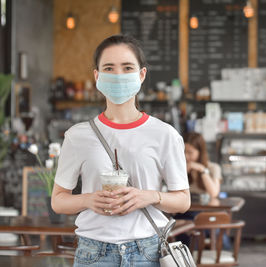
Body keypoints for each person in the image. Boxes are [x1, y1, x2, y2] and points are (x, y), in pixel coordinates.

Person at [51, 34, 190, 267]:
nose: (118, 75)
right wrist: (89, 200)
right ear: (97, 76)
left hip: (147, 252)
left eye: (127, 68)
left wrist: (149, 197)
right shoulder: (77, 136)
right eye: (109, 68)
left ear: (141, 74)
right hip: (93, 252)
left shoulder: (165, 135)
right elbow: (58, 201)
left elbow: (183, 201)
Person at [184, 132, 222, 199]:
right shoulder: (181, 167)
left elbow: (214, 193)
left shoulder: (213, 168)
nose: (186, 156)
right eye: (184, 151)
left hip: (206, 208)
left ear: (200, 151)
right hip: (186, 207)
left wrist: (202, 169)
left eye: (190, 152)